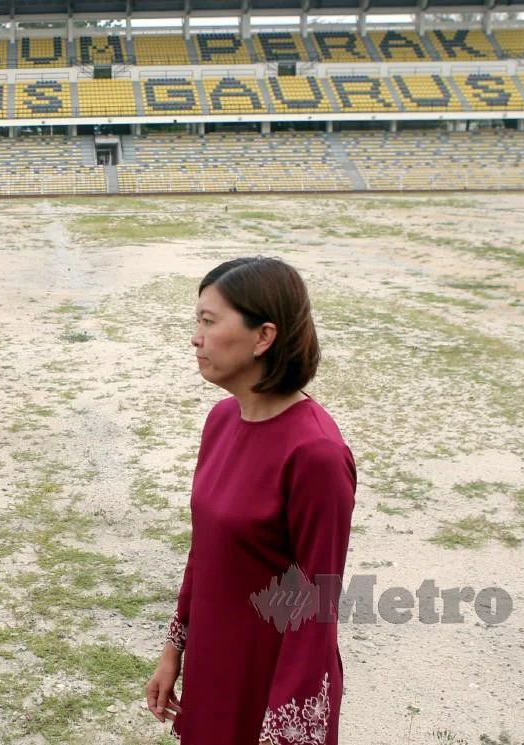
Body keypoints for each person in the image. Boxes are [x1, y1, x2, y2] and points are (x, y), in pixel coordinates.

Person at [145, 257, 356, 745]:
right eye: (197, 320)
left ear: (263, 337)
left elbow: (315, 606)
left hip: (269, 684)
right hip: (212, 667)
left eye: (209, 322)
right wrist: (173, 649)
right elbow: (206, 551)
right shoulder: (221, 420)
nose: (195, 337)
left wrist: (283, 729)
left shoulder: (316, 455)